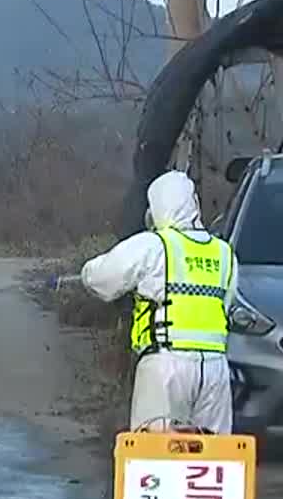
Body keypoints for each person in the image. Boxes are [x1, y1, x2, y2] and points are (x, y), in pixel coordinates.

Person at [79, 170, 237, 434]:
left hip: (164, 366)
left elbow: (102, 280)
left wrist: (86, 273)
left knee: (155, 454)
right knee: (214, 452)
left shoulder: (154, 246)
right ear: (193, 204)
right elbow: (226, 306)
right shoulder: (224, 253)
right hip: (215, 371)